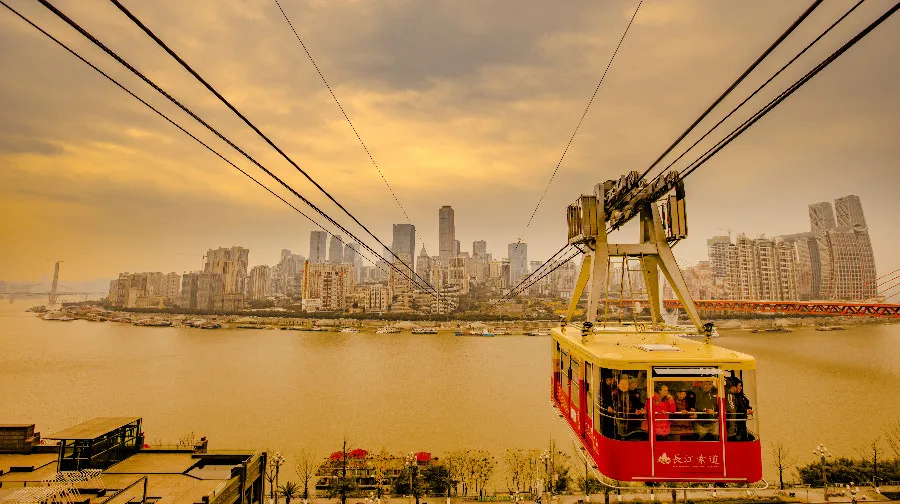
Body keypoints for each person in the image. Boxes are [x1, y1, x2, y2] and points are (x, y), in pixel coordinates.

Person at [608, 374, 645, 440]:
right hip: (619, 421)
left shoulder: (630, 394)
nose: (624, 386)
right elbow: (619, 407)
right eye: (622, 384)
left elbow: (638, 403)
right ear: (618, 385)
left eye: (626, 384)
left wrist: (642, 408)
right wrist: (634, 410)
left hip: (630, 421)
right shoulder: (615, 394)